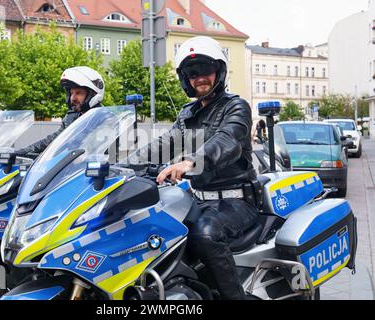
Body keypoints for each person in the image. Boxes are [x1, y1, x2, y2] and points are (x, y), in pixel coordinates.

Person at [129, 36, 259, 299]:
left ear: (219, 72)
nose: (199, 77)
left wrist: (190, 162)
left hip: (236, 201)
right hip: (198, 199)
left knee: (206, 234)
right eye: (192, 73)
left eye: (206, 70)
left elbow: (228, 140)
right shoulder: (188, 113)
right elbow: (163, 144)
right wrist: (125, 164)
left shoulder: (236, 106)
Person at [14, 66, 105, 157]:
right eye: (71, 93)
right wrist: (23, 152)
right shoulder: (72, 117)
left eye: (79, 93)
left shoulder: (105, 119)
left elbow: (98, 150)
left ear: (93, 94)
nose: (73, 98)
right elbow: (54, 140)